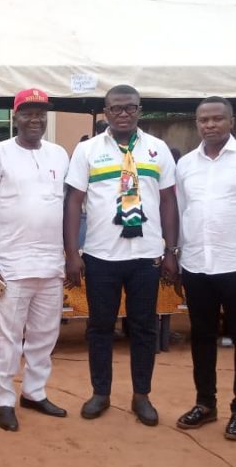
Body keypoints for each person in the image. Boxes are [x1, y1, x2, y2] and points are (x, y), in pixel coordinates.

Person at [64, 84, 179, 427]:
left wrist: (171, 250)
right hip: (100, 256)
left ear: (140, 110)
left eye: (130, 108)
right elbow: (73, 201)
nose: (123, 114)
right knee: (100, 328)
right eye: (116, 109)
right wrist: (72, 251)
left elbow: (170, 201)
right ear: (106, 112)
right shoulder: (87, 151)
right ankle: (101, 393)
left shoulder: (157, 150)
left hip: (146, 256)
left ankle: (141, 396)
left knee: (144, 328)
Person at [0, 88, 70, 432]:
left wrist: (71, 255)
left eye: (40, 113)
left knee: (45, 334)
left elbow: (69, 206)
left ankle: (33, 391)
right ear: (15, 117)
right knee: (8, 336)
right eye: (28, 113)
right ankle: (3, 399)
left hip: (51, 263)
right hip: (11, 263)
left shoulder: (60, 154)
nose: (35, 119)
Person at [174, 96, 236, 440]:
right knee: (201, 337)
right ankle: (205, 403)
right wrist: (178, 256)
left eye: (217, 118)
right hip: (197, 265)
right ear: (196, 123)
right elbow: (183, 212)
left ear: (232, 121)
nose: (210, 125)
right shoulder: (185, 164)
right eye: (203, 119)